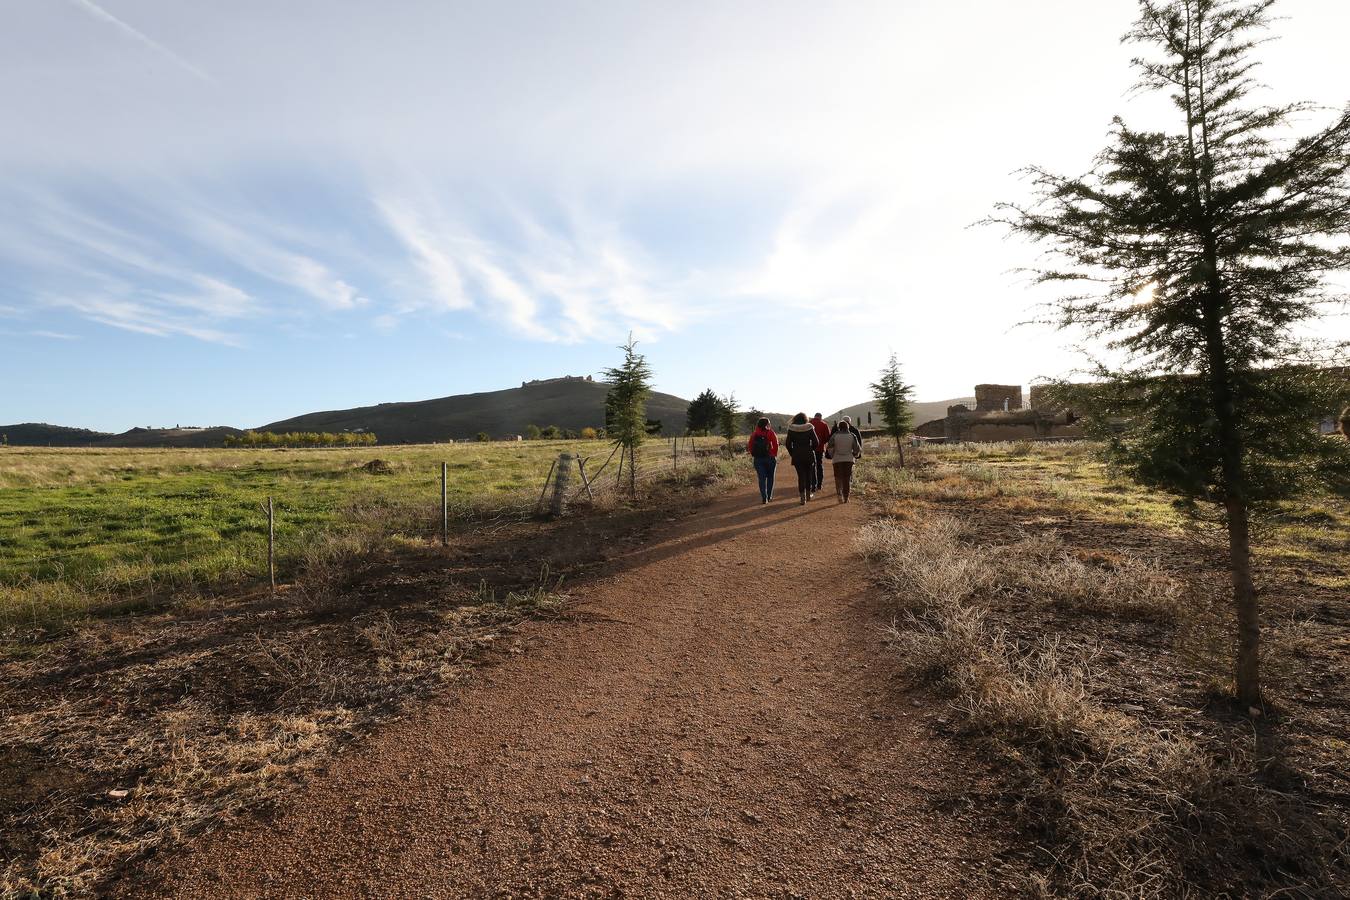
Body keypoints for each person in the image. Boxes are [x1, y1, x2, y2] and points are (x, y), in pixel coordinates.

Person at [784, 412, 820, 505]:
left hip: (797, 455)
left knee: (801, 476)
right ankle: (808, 495)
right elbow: (816, 442)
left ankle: (802, 498)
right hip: (808, 454)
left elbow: (788, 444)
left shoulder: (791, 428)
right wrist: (810, 449)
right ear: (805, 419)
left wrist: (792, 453)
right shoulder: (809, 427)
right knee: (809, 475)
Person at [826, 419, 863, 502]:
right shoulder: (852, 435)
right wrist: (854, 455)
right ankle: (846, 497)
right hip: (849, 460)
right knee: (847, 478)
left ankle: (839, 495)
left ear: (839, 427)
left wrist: (832, 455)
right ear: (848, 427)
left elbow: (829, 447)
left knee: (838, 477)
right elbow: (857, 448)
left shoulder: (835, 435)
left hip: (837, 460)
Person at [746, 417, 779, 504]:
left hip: (758, 459)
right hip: (770, 458)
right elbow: (776, 444)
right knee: (770, 477)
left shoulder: (754, 434)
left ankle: (764, 498)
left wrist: (754, 454)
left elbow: (750, 445)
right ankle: (769, 496)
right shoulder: (770, 432)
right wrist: (773, 454)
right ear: (767, 424)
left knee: (761, 479)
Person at [809, 413, 831, 493]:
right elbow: (828, 437)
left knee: (810, 466)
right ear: (820, 417)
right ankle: (819, 484)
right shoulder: (824, 424)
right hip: (820, 448)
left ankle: (812, 484)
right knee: (819, 465)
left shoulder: (809, 424)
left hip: (810, 449)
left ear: (814, 416)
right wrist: (822, 443)